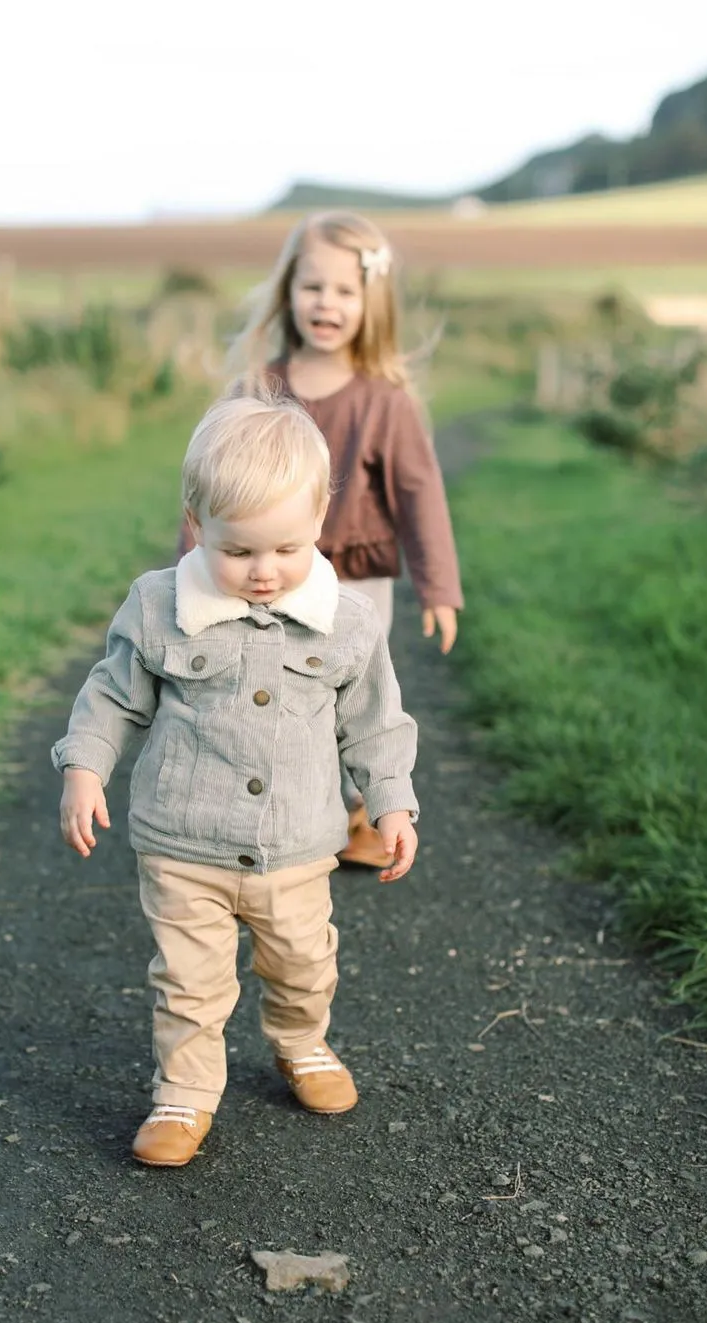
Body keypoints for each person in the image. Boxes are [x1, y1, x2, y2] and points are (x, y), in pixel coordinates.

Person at [53, 389, 420, 1168]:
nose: (263, 572)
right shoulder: (160, 606)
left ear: (320, 515)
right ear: (196, 523)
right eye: (240, 551)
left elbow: (375, 723)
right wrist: (85, 767)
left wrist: (392, 803)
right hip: (184, 842)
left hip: (297, 845)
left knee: (302, 962)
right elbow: (113, 694)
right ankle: (182, 1096)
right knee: (189, 981)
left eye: (286, 549)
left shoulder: (349, 622)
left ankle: (302, 1045)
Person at [178, 211, 463, 869]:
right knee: (266, 687)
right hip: (261, 574)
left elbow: (420, 497)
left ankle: (356, 806)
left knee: (348, 694)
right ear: (288, 293)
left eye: (343, 291)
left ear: (372, 302)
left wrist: (438, 586)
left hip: (353, 580)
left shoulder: (383, 402)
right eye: (313, 287)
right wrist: (184, 574)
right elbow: (203, 491)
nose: (326, 304)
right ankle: (266, 804)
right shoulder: (253, 389)